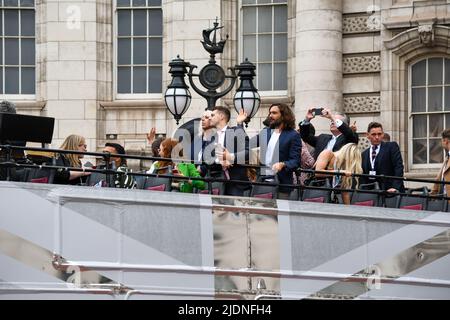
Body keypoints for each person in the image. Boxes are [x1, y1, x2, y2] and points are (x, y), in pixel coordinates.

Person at [238, 103, 301, 199]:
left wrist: (283, 164)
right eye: (270, 113)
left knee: (278, 213)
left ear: (284, 115)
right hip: (262, 182)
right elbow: (247, 144)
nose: (270, 116)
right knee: (260, 213)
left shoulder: (293, 135)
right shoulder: (266, 132)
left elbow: (295, 161)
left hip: (281, 186)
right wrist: (240, 124)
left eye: (274, 113)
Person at [201, 106, 250, 196]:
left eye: (212, 115)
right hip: (215, 183)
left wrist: (230, 157)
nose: (210, 118)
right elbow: (205, 158)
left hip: (235, 184)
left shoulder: (235, 131)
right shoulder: (211, 137)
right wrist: (219, 160)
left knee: (234, 209)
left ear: (221, 116)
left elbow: (248, 152)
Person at [361, 122, 405, 193]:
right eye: (373, 134)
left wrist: (395, 188)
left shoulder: (391, 147)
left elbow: (398, 167)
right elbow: (363, 176)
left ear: (383, 134)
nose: (377, 137)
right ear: (367, 135)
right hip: (372, 194)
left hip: (391, 192)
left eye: (379, 134)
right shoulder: (364, 154)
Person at [431, 129, 450, 200]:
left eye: (442, 140)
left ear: (446, 141)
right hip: (442, 201)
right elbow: (439, 179)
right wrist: (432, 197)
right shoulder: (447, 158)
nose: (441, 143)